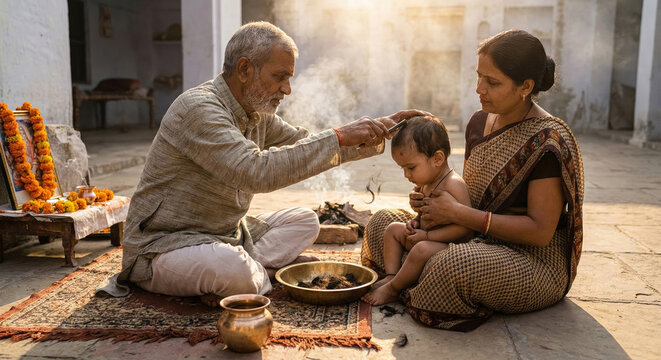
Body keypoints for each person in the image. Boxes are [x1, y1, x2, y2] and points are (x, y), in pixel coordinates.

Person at [100, 21, 424, 305]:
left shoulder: (257, 114)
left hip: (225, 234)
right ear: (244, 70)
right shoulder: (198, 108)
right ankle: (253, 275)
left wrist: (375, 133)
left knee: (305, 221)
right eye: (280, 77)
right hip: (163, 246)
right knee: (234, 271)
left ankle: (252, 272)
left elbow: (303, 143)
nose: (287, 89)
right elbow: (256, 171)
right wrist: (340, 136)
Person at [361, 29, 584, 331]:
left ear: (526, 86)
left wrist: (457, 215)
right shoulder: (479, 121)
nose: (479, 88)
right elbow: (468, 192)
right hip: (470, 237)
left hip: (529, 260)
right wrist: (426, 211)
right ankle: (404, 280)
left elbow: (540, 233)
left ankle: (407, 281)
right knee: (382, 224)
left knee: (451, 265)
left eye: (492, 82)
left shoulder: (547, 141)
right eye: (479, 76)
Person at [361, 115, 472, 305]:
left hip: (450, 245)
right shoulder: (426, 182)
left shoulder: (453, 185)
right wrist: (415, 222)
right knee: (393, 229)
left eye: (411, 167)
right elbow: (424, 214)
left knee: (420, 249)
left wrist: (427, 237)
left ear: (437, 158)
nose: (406, 175)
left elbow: (466, 229)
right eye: (403, 168)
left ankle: (393, 288)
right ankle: (392, 274)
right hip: (424, 235)